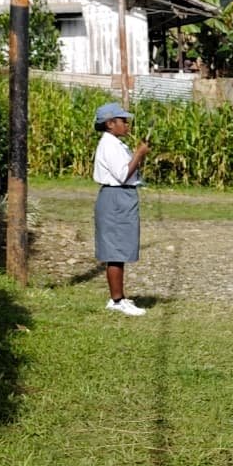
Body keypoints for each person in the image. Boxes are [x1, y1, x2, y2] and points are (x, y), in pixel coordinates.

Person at [93, 101, 150, 317]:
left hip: (122, 196)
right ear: (110, 123)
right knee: (115, 250)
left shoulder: (115, 144)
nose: (127, 125)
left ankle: (119, 297)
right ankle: (117, 300)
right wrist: (139, 153)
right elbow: (123, 174)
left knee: (121, 247)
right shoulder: (109, 145)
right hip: (116, 197)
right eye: (123, 121)